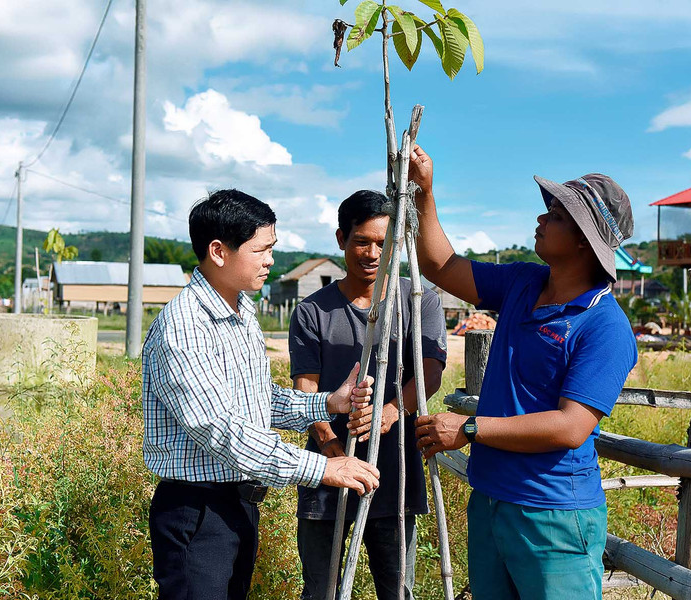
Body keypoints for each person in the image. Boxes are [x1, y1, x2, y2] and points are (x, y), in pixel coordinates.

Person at [409, 147, 638, 600]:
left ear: (583, 241)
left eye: (555, 215)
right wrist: (425, 192)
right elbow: (441, 266)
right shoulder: (523, 282)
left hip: (552, 514)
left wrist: (470, 427)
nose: (541, 218)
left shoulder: (605, 326)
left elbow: (572, 427)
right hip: (492, 498)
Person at [142, 189, 381, 600]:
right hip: (198, 510)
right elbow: (221, 429)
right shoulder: (185, 327)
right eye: (261, 250)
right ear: (219, 252)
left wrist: (326, 402)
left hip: (236, 504)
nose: (270, 260)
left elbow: (256, 398)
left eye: (272, 248)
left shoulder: (239, 311)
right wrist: (322, 468)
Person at [289, 190, 448, 600]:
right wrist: (333, 451)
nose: (373, 252)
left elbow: (430, 371)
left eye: (385, 243)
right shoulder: (312, 311)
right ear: (342, 238)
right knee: (321, 591)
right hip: (326, 474)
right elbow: (306, 388)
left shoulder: (419, 300)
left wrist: (393, 411)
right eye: (362, 241)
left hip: (394, 471)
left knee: (397, 590)